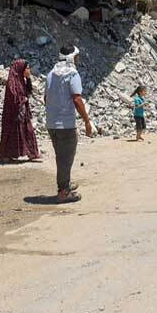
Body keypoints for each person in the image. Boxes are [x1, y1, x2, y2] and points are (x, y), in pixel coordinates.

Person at [45, 44, 91, 203]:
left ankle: (65, 183)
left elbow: (46, 98)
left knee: (61, 157)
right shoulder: (72, 74)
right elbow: (77, 99)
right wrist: (87, 121)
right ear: (71, 58)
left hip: (52, 124)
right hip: (66, 125)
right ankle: (63, 192)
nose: (78, 60)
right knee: (66, 158)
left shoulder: (51, 74)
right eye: (76, 57)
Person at [0, 59, 41, 163]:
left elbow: (29, 91)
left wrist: (28, 79)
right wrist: (22, 100)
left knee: (28, 131)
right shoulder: (12, 82)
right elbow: (13, 96)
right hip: (14, 116)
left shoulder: (21, 80)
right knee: (13, 134)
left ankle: (33, 154)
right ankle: (8, 155)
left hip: (22, 112)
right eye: (27, 68)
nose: (29, 70)